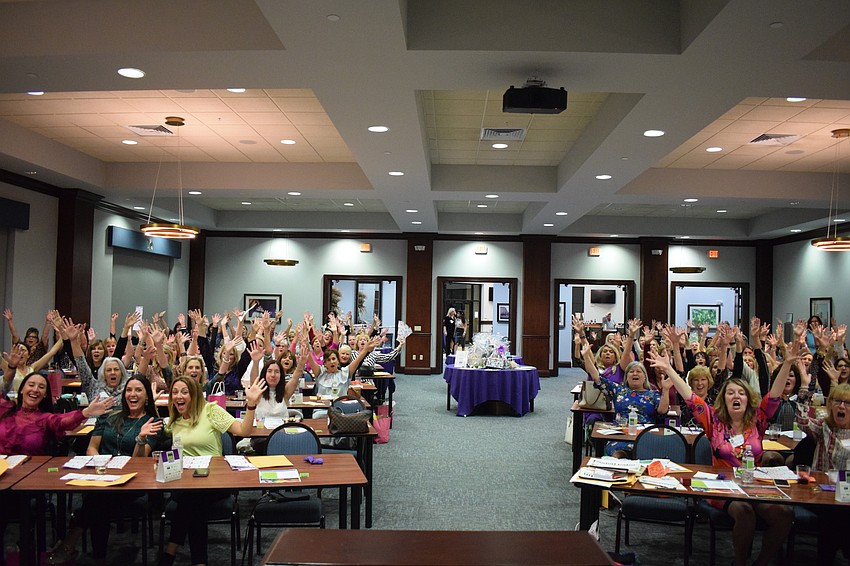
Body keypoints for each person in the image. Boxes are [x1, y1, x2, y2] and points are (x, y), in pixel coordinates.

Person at [649, 344, 792, 566]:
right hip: (722, 486)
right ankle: (740, 562)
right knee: (744, 513)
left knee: (783, 515)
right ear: (724, 399)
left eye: (741, 393)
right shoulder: (713, 422)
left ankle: (762, 561)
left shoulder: (759, 421)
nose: (736, 396)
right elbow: (690, 397)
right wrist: (669, 369)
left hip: (754, 485)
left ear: (748, 399)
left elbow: (774, 394)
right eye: (730, 393)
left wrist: (788, 363)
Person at [48, 375, 163, 565]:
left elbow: (138, 462)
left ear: (147, 397)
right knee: (100, 499)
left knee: (97, 499)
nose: (132, 394)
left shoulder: (153, 422)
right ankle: (95, 555)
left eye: (138, 390)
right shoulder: (110, 415)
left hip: (133, 480)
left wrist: (141, 438)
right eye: (129, 390)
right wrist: (100, 462)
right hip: (102, 474)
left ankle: (72, 543)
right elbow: (91, 447)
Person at [159, 375, 266, 566]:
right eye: (174, 392)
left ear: (194, 395)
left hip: (215, 481)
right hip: (184, 482)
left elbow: (243, 431)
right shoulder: (174, 421)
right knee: (192, 499)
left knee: (191, 499)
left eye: (184, 392)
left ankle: (171, 551)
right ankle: (199, 561)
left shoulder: (210, 410)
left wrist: (251, 405)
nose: (178, 396)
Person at [581, 341, 670, 457]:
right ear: (626, 377)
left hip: (645, 436)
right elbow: (596, 376)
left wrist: (666, 390)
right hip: (620, 435)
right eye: (631, 372)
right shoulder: (618, 390)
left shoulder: (653, 394)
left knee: (645, 453)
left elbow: (662, 411)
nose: (634, 374)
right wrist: (587, 356)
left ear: (644, 377)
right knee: (618, 454)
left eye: (638, 371)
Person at [795, 379, 850, 564]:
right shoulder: (823, 428)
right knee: (834, 513)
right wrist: (804, 385)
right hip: (819, 492)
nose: (841, 406)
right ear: (830, 405)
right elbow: (802, 421)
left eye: (847, 403)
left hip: (847, 493)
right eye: (837, 401)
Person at [0, 371, 115, 455]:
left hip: (30, 474)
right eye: (31, 385)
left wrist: (85, 412)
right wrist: (10, 367)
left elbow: (63, 421)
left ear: (45, 394)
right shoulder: (5, 409)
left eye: (41, 387)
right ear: (21, 389)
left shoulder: (45, 419)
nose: (35, 390)